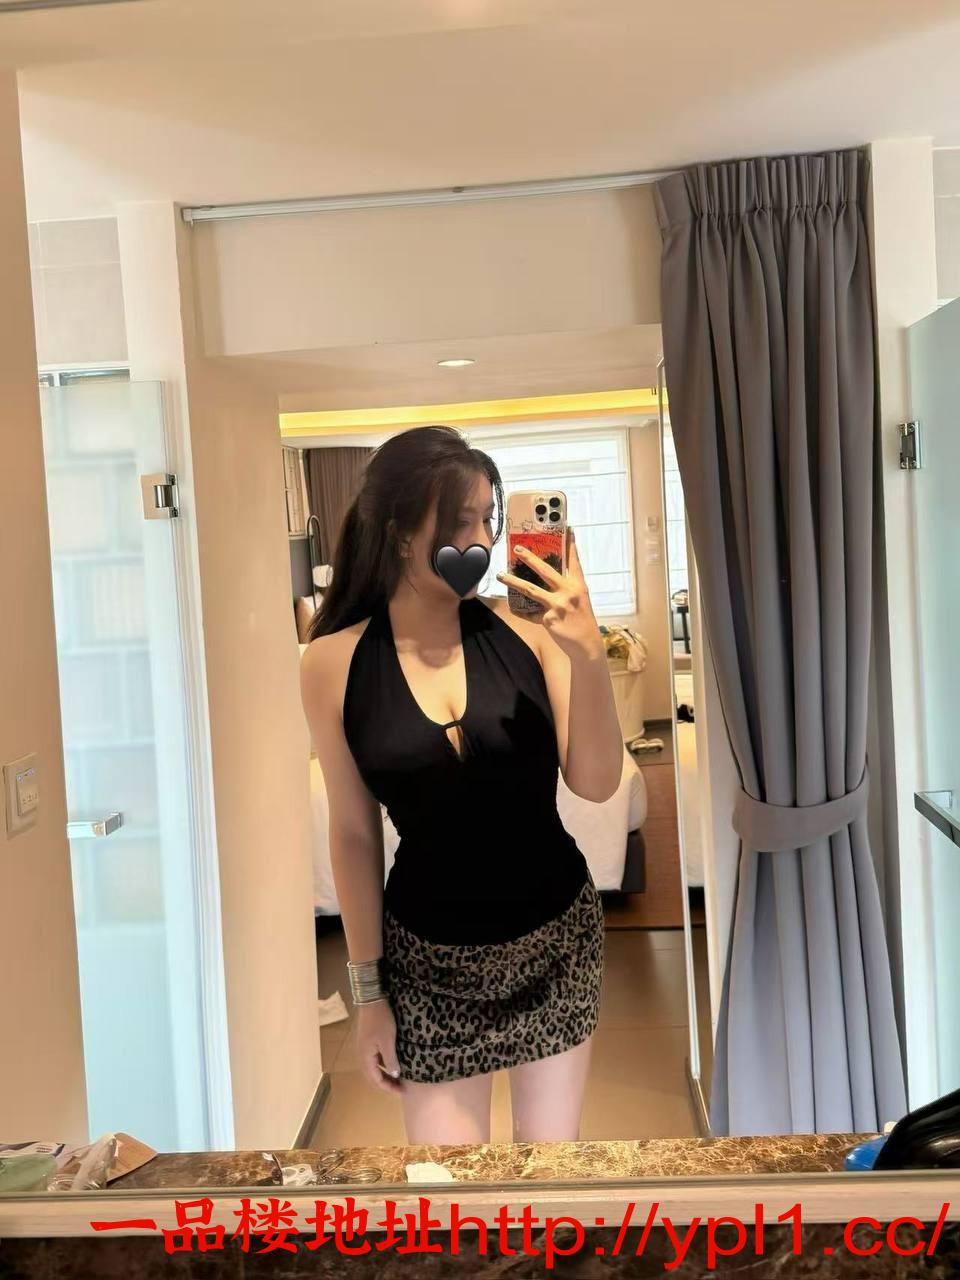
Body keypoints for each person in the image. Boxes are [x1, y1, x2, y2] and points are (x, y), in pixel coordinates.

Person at [299, 425, 623, 1144]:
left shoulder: (531, 636)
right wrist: (370, 995)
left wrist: (588, 656)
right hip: (428, 963)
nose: (477, 541)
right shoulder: (333, 662)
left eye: (486, 520)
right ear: (398, 532)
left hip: (556, 944)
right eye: (456, 523)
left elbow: (597, 784)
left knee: (549, 1176)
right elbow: (352, 834)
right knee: (448, 1190)